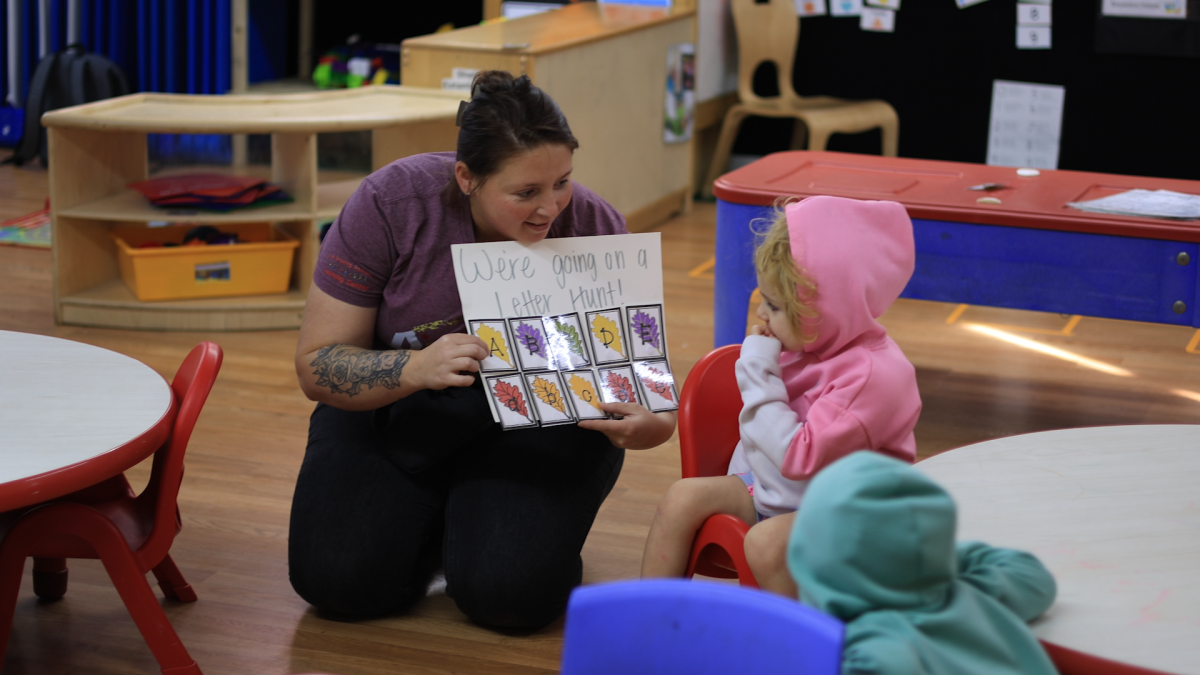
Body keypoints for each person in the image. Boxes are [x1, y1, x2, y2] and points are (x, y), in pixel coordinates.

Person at [288, 70, 676, 629]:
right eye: (526, 193)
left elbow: (649, 391)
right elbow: (317, 364)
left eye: (562, 181)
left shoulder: (593, 224)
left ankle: (473, 528)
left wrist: (652, 427)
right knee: (337, 583)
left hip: (542, 423)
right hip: (396, 408)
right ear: (466, 178)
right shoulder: (390, 204)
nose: (552, 208)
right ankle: (438, 520)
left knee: (511, 599)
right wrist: (415, 367)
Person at [640, 195, 922, 595]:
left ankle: (799, 645)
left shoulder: (873, 378)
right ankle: (647, 619)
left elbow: (797, 457)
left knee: (766, 543)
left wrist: (757, 372)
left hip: (852, 514)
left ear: (825, 310)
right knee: (681, 498)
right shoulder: (808, 343)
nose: (760, 315)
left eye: (773, 305)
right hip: (777, 493)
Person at [788, 452, 1059, 675]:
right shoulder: (974, 593)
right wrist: (929, 557)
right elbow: (1033, 577)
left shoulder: (873, 650)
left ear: (808, 559)